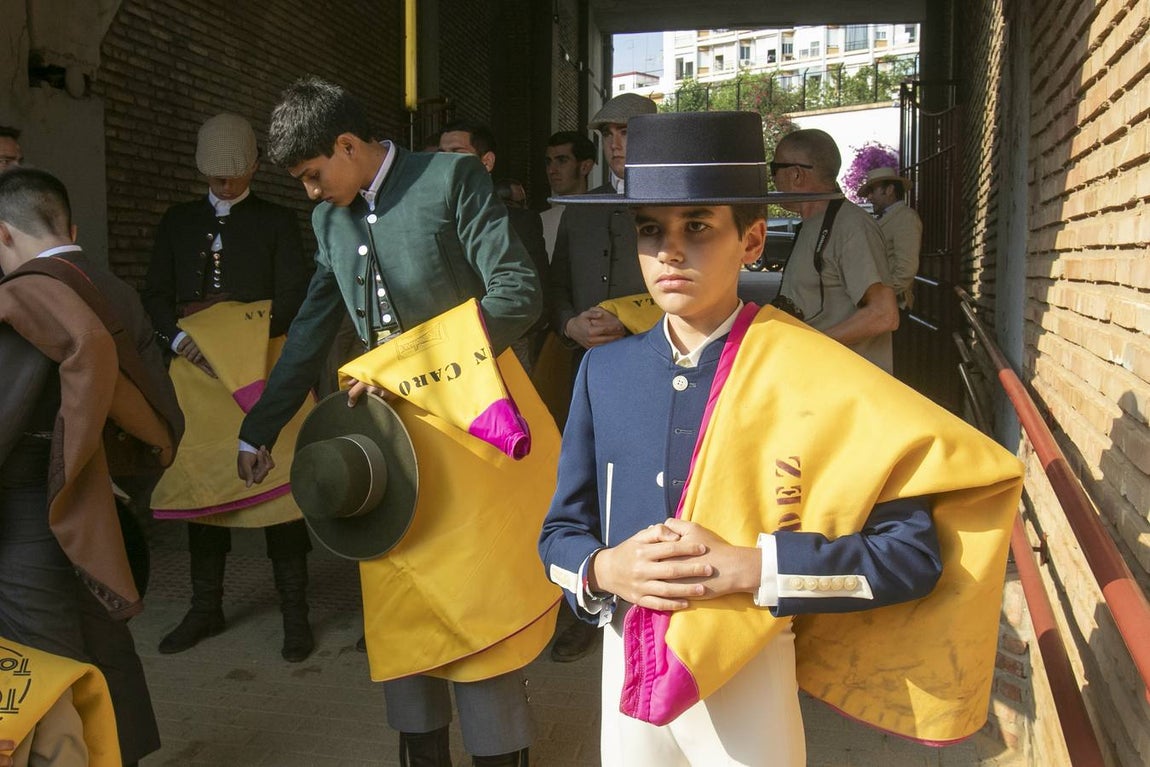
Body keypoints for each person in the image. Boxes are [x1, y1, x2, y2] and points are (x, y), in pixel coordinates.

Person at [538, 111, 1023, 766]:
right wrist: (604, 567)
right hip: (627, 668)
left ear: (753, 238)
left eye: (699, 227)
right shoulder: (605, 369)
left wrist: (753, 565)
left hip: (752, 673)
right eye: (651, 229)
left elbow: (910, 555)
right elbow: (559, 535)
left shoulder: (814, 372)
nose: (670, 251)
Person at [237, 76, 540, 767]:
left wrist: (405, 367)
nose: (312, 193)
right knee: (404, 621)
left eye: (315, 175)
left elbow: (518, 293)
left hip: (473, 434)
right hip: (384, 448)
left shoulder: (450, 176)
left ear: (348, 145)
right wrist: (261, 424)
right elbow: (314, 325)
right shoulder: (327, 221)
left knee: (476, 622)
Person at [0, 167, 184, 766]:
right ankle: (125, 754)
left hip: (30, 503)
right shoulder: (112, 288)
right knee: (104, 640)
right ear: (66, 224)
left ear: (5, 235)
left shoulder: (25, 297)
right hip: (95, 497)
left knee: (43, 658)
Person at [141, 113, 314, 661]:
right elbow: (154, 295)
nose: (226, 186)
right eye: (217, 178)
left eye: (236, 177)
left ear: (255, 167)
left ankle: (295, 612)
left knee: (281, 488)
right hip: (195, 371)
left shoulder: (278, 221)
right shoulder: (176, 221)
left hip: (263, 365)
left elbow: (296, 294)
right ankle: (205, 607)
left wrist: (238, 335)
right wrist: (177, 341)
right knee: (203, 485)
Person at [544, 92, 655, 663]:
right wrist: (569, 324)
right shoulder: (579, 207)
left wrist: (629, 316)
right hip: (588, 372)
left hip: (656, 369)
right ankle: (581, 610)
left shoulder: (672, 200)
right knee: (582, 487)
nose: (615, 143)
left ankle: (647, 603)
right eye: (608, 133)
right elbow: (555, 284)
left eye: (627, 132)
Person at [772, 129, 899, 372]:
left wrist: (810, 346)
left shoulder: (851, 225)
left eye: (774, 169)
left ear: (796, 175)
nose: (774, 179)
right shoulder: (813, 224)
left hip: (848, 390)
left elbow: (883, 314)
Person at [439, 119, 549, 371]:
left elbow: (536, 296)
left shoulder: (520, 221)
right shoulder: (427, 219)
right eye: (440, 154)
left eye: (457, 153)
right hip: (443, 354)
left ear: (486, 162)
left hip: (506, 347)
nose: (444, 163)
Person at [859, 166, 922, 310]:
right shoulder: (886, 218)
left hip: (893, 305)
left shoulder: (906, 218)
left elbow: (906, 269)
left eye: (872, 191)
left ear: (889, 190)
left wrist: (882, 295)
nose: (869, 197)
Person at [540, 131, 595, 260]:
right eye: (549, 162)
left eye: (562, 161)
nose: (551, 170)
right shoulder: (540, 222)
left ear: (585, 167)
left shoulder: (602, 217)